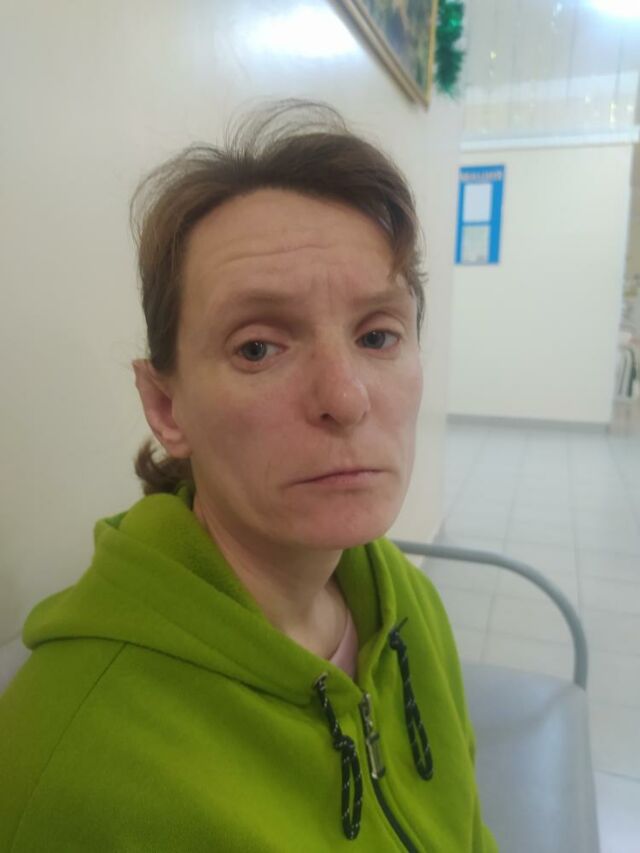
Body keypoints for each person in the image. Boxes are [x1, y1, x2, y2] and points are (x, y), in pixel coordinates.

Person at [0, 101, 498, 852]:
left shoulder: (408, 605)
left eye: (377, 335)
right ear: (166, 406)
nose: (345, 398)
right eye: (258, 347)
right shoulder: (71, 765)